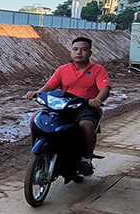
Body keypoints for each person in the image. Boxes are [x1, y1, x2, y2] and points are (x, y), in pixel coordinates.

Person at [23, 36, 111, 176]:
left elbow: (104, 89)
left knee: (87, 125)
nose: (79, 52)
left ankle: (86, 160)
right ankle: (38, 151)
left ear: (90, 53)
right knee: (36, 119)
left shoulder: (98, 70)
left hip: (85, 107)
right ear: (71, 52)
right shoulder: (63, 70)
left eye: (84, 49)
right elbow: (49, 86)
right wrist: (36, 93)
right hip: (63, 106)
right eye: (75, 49)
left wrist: (97, 99)